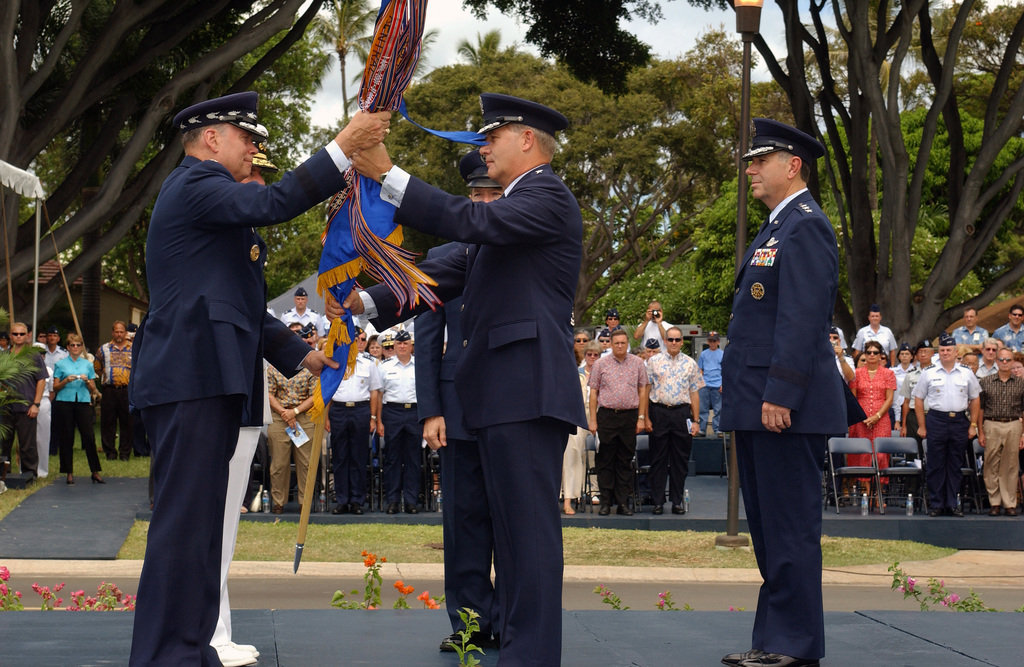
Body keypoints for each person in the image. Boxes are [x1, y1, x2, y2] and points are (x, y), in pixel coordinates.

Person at [127, 91, 386, 665]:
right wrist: (344, 146)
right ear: (211, 137)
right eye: (247, 138)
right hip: (190, 376)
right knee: (182, 526)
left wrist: (303, 355)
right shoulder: (194, 184)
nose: (255, 149)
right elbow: (275, 201)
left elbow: (243, 306)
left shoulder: (213, 206)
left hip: (208, 377)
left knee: (200, 530)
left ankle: (188, 650)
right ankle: (163, 656)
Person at [342, 92, 586, 665]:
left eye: (491, 135)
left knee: (527, 541)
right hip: (501, 395)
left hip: (525, 393)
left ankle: (530, 656)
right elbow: (438, 275)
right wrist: (360, 302)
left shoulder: (544, 195)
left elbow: (466, 218)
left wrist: (387, 173)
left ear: (527, 139)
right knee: (507, 531)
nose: (482, 146)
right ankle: (515, 648)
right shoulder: (512, 210)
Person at [720, 119, 845, 667]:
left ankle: (793, 644)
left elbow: (801, 318)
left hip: (780, 405)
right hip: (758, 402)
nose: (749, 169)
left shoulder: (805, 227)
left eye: (759, 160)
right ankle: (775, 640)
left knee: (789, 528)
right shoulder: (777, 228)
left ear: (791, 165)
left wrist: (782, 394)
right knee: (770, 532)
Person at [414, 149, 502, 650]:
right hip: (458, 410)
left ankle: (511, 620)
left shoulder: (522, 250)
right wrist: (431, 410)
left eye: (494, 194)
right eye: (478, 195)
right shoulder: (443, 259)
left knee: (510, 520)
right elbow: (427, 341)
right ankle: (469, 623)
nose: (486, 202)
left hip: (512, 408)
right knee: (463, 520)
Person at [912, 332, 981, 517]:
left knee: (955, 464)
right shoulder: (929, 373)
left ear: (955, 351)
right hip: (936, 420)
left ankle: (952, 503)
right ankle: (937, 504)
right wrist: (922, 425)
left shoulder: (966, 373)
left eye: (948, 350)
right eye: (942, 350)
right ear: (938, 352)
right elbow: (918, 399)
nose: (945, 353)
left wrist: (973, 425)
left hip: (959, 421)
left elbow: (975, 399)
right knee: (935, 464)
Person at [588, 329, 649, 516]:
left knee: (624, 461)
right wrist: (592, 419)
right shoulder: (600, 364)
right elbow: (593, 393)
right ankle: (606, 502)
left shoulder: (638, 363)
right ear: (611, 344)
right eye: (616, 343)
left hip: (629, 416)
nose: (620, 346)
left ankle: (623, 503)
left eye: (623, 343)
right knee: (605, 460)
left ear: (627, 343)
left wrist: (641, 417)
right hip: (606, 415)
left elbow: (643, 391)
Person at [643, 326, 702, 515]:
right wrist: (644, 417)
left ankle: (677, 502)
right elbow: (645, 390)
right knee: (658, 459)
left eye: (677, 340)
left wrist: (696, 420)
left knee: (680, 460)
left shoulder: (691, 363)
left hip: (682, 414)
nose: (674, 343)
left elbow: (694, 393)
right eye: (670, 340)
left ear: (682, 342)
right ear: (665, 341)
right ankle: (658, 501)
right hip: (659, 412)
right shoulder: (653, 362)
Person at [328, 327, 382, 515]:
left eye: (359, 339)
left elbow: (375, 391)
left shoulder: (369, 364)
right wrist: (327, 416)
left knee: (359, 457)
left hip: (360, 409)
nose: (356, 343)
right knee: (340, 456)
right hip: (338, 410)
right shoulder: (335, 362)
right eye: (352, 340)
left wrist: (373, 417)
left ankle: (357, 500)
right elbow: (327, 391)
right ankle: (342, 499)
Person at [266, 324, 320, 514]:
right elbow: (269, 393)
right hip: (280, 415)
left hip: (304, 415)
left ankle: (304, 503)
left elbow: (315, 396)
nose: (306, 343)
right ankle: (278, 502)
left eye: (308, 341)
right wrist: (284, 412)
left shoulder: (312, 366)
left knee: (306, 463)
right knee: (279, 463)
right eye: (302, 341)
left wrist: (295, 412)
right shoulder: (274, 364)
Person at [377, 329, 422, 514]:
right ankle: (393, 501)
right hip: (392, 412)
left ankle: (411, 501)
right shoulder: (384, 366)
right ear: (393, 346)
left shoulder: (420, 366)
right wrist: (378, 420)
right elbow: (379, 395)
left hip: (414, 413)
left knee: (413, 458)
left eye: (405, 343)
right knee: (392, 458)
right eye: (399, 344)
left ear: (411, 346)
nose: (402, 346)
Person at [977, 347, 1024, 517]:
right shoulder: (985, 381)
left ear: (1013, 362)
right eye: (1001, 359)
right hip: (992, 424)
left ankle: (1009, 503)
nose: (1004, 363)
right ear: (996, 361)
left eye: (1008, 360)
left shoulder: (1021, 383)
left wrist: (1023, 434)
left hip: (1013, 424)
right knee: (990, 463)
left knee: (1011, 465)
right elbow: (980, 408)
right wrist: (980, 431)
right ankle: (994, 502)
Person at [52, 333, 102, 486]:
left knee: (88, 436)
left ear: (82, 347)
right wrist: (66, 380)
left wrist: (88, 382)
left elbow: (93, 388)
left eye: (78, 345)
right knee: (67, 437)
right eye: (72, 345)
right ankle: (68, 473)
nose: (75, 347)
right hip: (64, 402)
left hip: (82, 401)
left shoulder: (87, 364)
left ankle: (95, 471)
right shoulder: (60, 364)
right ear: (67, 347)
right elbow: (55, 387)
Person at [0, 322, 47, 480]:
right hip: (6, 407)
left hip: (27, 406)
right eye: (15, 334)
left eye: (22, 334)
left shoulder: (34, 356)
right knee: (4, 444)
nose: (18, 336)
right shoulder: (4, 356)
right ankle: (3, 477)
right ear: (10, 336)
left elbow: (41, 380)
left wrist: (36, 404)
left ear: (28, 336)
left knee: (27, 445)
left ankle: (29, 476)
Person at [847, 340, 897, 478]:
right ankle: (866, 495)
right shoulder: (856, 373)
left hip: (881, 418)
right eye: (869, 352)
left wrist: (877, 416)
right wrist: (862, 416)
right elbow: (853, 398)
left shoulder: (888, 374)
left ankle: (878, 497)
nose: (872, 355)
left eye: (875, 352)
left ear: (881, 355)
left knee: (880, 456)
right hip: (861, 420)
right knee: (863, 455)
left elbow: (889, 399)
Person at [95, 321, 134, 461]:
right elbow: (97, 367)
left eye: (121, 331)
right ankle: (110, 452)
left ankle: (124, 453)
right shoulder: (104, 349)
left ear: (125, 333)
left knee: (127, 423)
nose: (119, 334)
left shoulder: (133, 348)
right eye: (116, 331)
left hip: (126, 390)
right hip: (110, 390)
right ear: (113, 333)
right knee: (108, 422)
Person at [698, 332, 724, 436]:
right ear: (707, 342)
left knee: (718, 408)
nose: (712, 343)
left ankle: (718, 429)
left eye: (714, 341)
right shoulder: (704, 354)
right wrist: (701, 382)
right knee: (703, 408)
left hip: (717, 385)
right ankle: (702, 429)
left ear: (718, 342)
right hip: (705, 384)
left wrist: (723, 384)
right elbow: (700, 368)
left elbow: (725, 370)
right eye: (710, 341)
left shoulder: (722, 354)